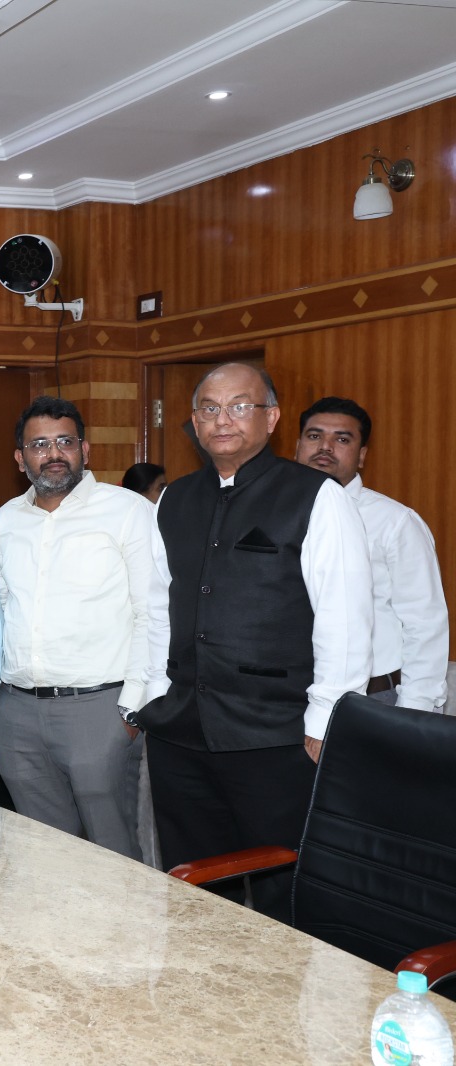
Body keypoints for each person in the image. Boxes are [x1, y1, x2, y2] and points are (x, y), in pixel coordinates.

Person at [139, 363, 371, 916]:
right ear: (194, 421)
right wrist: (150, 694)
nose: (223, 420)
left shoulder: (316, 496)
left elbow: (344, 618)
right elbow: (155, 605)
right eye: (210, 408)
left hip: (278, 736)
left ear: (271, 418)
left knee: (282, 891)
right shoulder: (175, 498)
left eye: (239, 406)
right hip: (181, 732)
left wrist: (325, 722)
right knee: (193, 888)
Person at [0, 397, 160, 858]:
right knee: (45, 855)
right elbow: (1, 609)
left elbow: (152, 612)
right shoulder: (6, 518)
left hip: (101, 710)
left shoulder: (127, 511)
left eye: (65, 441)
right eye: (39, 444)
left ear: (85, 449)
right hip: (18, 713)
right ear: (20, 458)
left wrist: (132, 710)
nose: (53, 453)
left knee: (115, 854)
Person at [294, 396, 447, 711]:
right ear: (297, 447)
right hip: (282, 698)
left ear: (362, 455)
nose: (325, 446)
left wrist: (413, 714)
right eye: (314, 435)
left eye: (342, 439)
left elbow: (424, 624)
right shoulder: (272, 514)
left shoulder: (396, 522)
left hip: (371, 700)